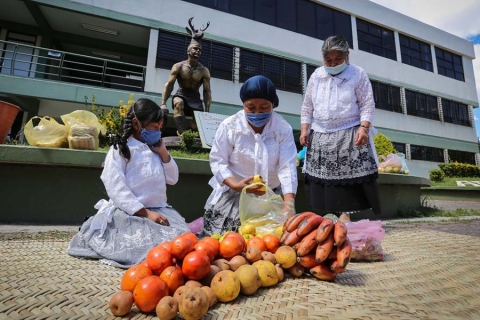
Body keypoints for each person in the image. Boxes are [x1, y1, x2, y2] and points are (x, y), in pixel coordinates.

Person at [67, 98, 189, 268]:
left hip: (160, 211)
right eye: (155, 127)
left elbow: (173, 178)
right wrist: (145, 213)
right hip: (130, 213)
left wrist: (163, 152)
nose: (158, 132)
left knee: (184, 240)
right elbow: (115, 186)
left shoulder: (155, 149)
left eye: (160, 128)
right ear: (136, 124)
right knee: (152, 249)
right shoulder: (121, 149)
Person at [201, 75, 298, 236]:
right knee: (229, 241)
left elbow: (287, 167)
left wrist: (288, 204)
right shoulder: (230, 126)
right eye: (251, 108)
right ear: (243, 105)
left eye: (264, 107)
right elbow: (218, 160)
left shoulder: (282, 129)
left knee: (273, 240)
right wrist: (235, 185)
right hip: (235, 197)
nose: (257, 113)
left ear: (273, 105)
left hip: (272, 197)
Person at [300, 35, 381, 223]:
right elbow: (307, 106)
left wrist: (364, 127)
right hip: (320, 134)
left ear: (347, 55)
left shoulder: (357, 74)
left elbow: (367, 104)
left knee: (347, 181)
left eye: (338, 59)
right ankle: (328, 219)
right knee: (325, 180)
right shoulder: (316, 76)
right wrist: (305, 129)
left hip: (349, 133)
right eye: (328, 60)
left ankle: (346, 218)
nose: (333, 63)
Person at [161, 18, 212, 135]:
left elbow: (207, 92)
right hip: (181, 94)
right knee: (178, 104)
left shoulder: (204, 70)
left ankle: (190, 134)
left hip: (195, 97)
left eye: (200, 49)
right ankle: (182, 133)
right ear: (188, 50)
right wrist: (163, 103)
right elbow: (169, 84)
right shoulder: (178, 66)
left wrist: (207, 111)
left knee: (198, 122)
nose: (198, 51)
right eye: (195, 48)